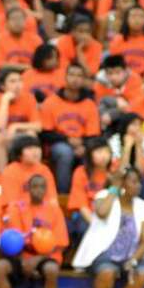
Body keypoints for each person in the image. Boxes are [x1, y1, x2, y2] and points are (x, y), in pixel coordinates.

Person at [72, 167, 144, 288]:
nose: (138, 186)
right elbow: (101, 213)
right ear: (122, 183)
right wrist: (114, 189)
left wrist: (134, 260)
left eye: (139, 182)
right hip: (104, 254)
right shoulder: (104, 196)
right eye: (133, 182)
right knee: (107, 272)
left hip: (130, 255)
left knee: (143, 274)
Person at [0, 174, 69, 288]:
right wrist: (22, 260)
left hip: (44, 256)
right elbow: (11, 239)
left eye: (42, 187)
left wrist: (36, 261)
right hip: (19, 255)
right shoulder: (16, 208)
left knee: (52, 269)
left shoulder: (54, 210)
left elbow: (60, 242)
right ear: (28, 189)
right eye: (35, 186)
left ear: (47, 190)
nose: (38, 190)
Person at [40, 63, 100, 193]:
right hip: (57, 145)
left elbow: (93, 135)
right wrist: (68, 140)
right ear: (65, 77)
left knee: (93, 153)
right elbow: (45, 133)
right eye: (72, 74)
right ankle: (64, 196)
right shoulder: (51, 102)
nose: (75, 79)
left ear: (84, 80)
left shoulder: (90, 104)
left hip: (83, 144)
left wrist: (84, 145)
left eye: (79, 76)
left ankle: (90, 196)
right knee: (65, 152)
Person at [0, 68, 41, 171]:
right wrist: (5, 101)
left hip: (19, 134)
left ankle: (33, 172)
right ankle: (3, 175)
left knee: (31, 134)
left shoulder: (29, 98)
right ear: (2, 86)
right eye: (12, 81)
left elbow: (38, 126)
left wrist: (15, 126)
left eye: (20, 80)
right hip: (0, 136)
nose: (18, 85)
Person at [0, 134, 58, 209]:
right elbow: (11, 203)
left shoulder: (44, 170)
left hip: (42, 214)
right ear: (19, 154)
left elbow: (52, 200)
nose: (35, 151)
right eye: (29, 148)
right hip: (18, 214)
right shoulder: (10, 171)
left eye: (37, 147)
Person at [108, 5, 144, 79]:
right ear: (126, 20)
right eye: (133, 16)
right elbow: (114, 67)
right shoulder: (117, 39)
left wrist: (142, 84)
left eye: (141, 16)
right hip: (121, 80)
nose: (137, 19)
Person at [68, 136, 112, 226]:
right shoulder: (80, 172)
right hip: (86, 216)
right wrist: (96, 226)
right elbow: (81, 205)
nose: (104, 155)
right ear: (89, 154)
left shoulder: (113, 172)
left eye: (107, 151)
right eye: (99, 152)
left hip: (108, 214)